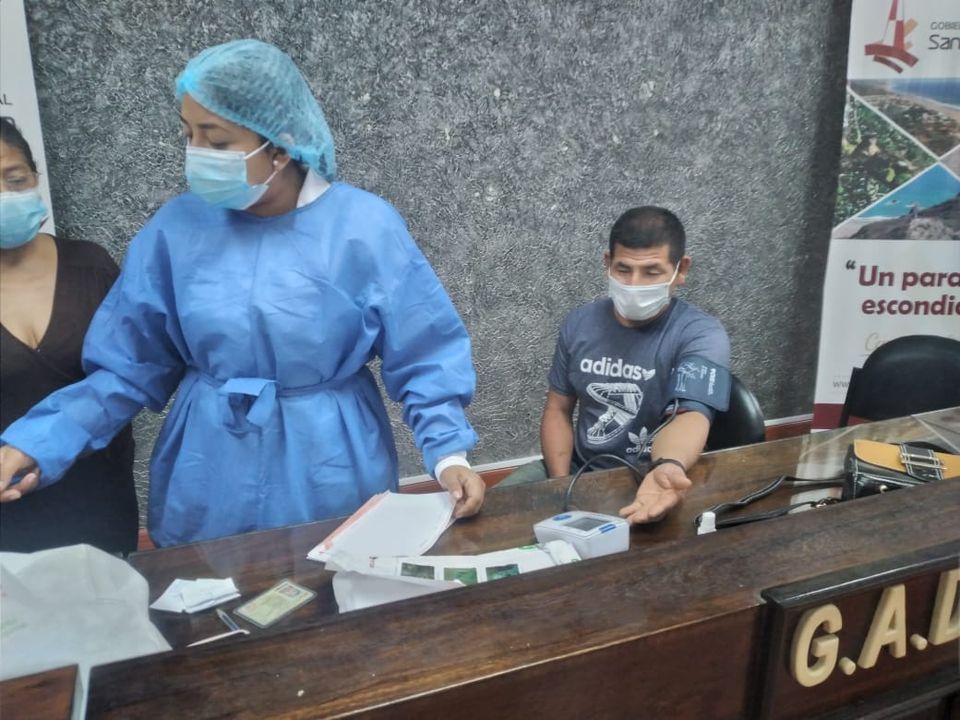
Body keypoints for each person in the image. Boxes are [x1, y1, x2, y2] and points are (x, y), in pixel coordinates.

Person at [0, 40, 485, 547]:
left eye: (216, 141)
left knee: (335, 577)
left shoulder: (363, 228)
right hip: (209, 465)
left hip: (329, 461)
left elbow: (424, 352)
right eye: (188, 135)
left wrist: (448, 454)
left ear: (280, 146)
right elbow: (127, 367)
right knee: (207, 588)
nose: (195, 155)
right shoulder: (176, 230)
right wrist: (41, 440)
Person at [506, 206, 731, 524]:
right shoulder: (579, 323)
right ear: (607, 263)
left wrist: (667, 466)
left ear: (681, 270)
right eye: (624, 269)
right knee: (480, 517)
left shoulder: (701, 334)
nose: (634, 284)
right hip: (577, 468)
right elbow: (558, 410)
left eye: (651, 272)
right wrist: (561, 486)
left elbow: (691, 416)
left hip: (653, 478)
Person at [0, 116, 137, 554]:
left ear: (35, 176)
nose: (4, 196)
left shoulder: (91, 267)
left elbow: (131, 373)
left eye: (15, 179)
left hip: (98, 504)